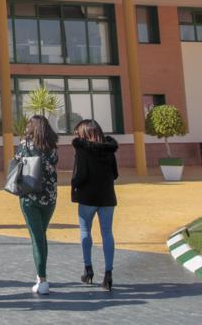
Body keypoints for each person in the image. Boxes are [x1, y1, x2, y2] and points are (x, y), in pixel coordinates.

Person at [71, 118, 118, 291]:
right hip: (107, 196)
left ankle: (88, 269)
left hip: (87, 196)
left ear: (84, 133)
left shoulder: (82, 150)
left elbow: (81, 175)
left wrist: (74, 183)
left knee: (85, 231)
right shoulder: (109, 150)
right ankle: (108, 274)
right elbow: (115, 174)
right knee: (107, 233)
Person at [16, 114, 59, 295]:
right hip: (49, 197)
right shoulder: (52, 148)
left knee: (37, 237)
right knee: (42, 235)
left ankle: (42, 279)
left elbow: (17, 162)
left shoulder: (25, 145)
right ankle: (41, 277)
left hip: (29, 197)